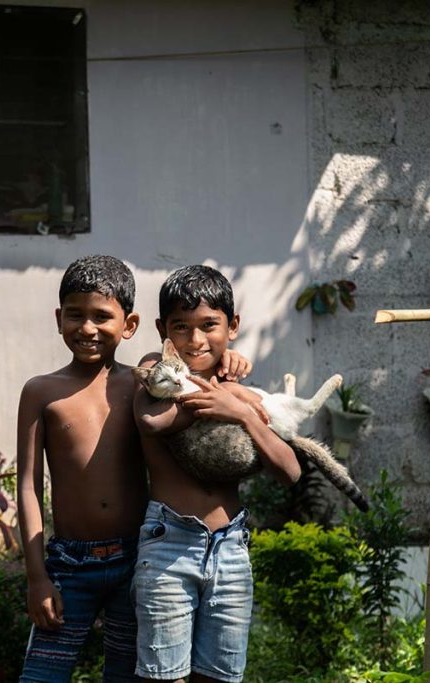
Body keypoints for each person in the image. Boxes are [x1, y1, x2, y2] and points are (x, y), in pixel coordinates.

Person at [16, 256, 254, 682]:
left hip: (139, 557)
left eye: (102, 317)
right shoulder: (41, 392)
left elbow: (196, 368)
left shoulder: (144, 384)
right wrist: (37, 576)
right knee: (41, 675)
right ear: (58, 318)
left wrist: (228, 361)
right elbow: (30, 488)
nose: (87, 328)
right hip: (69, 563)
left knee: (127, 674)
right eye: (75, 315)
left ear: (129, 325)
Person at [132, 264, 301, 683]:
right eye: (181, 327)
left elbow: (290, 471)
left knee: (220, 676)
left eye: (210, 325)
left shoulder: (239, 391)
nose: (195, 339)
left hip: (231, 545)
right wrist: (227, 393)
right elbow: (153, 422)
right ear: (162, 330)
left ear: (233, 326)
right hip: (169, 543)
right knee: (164, 677)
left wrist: (243, 412)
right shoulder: (157, 371)